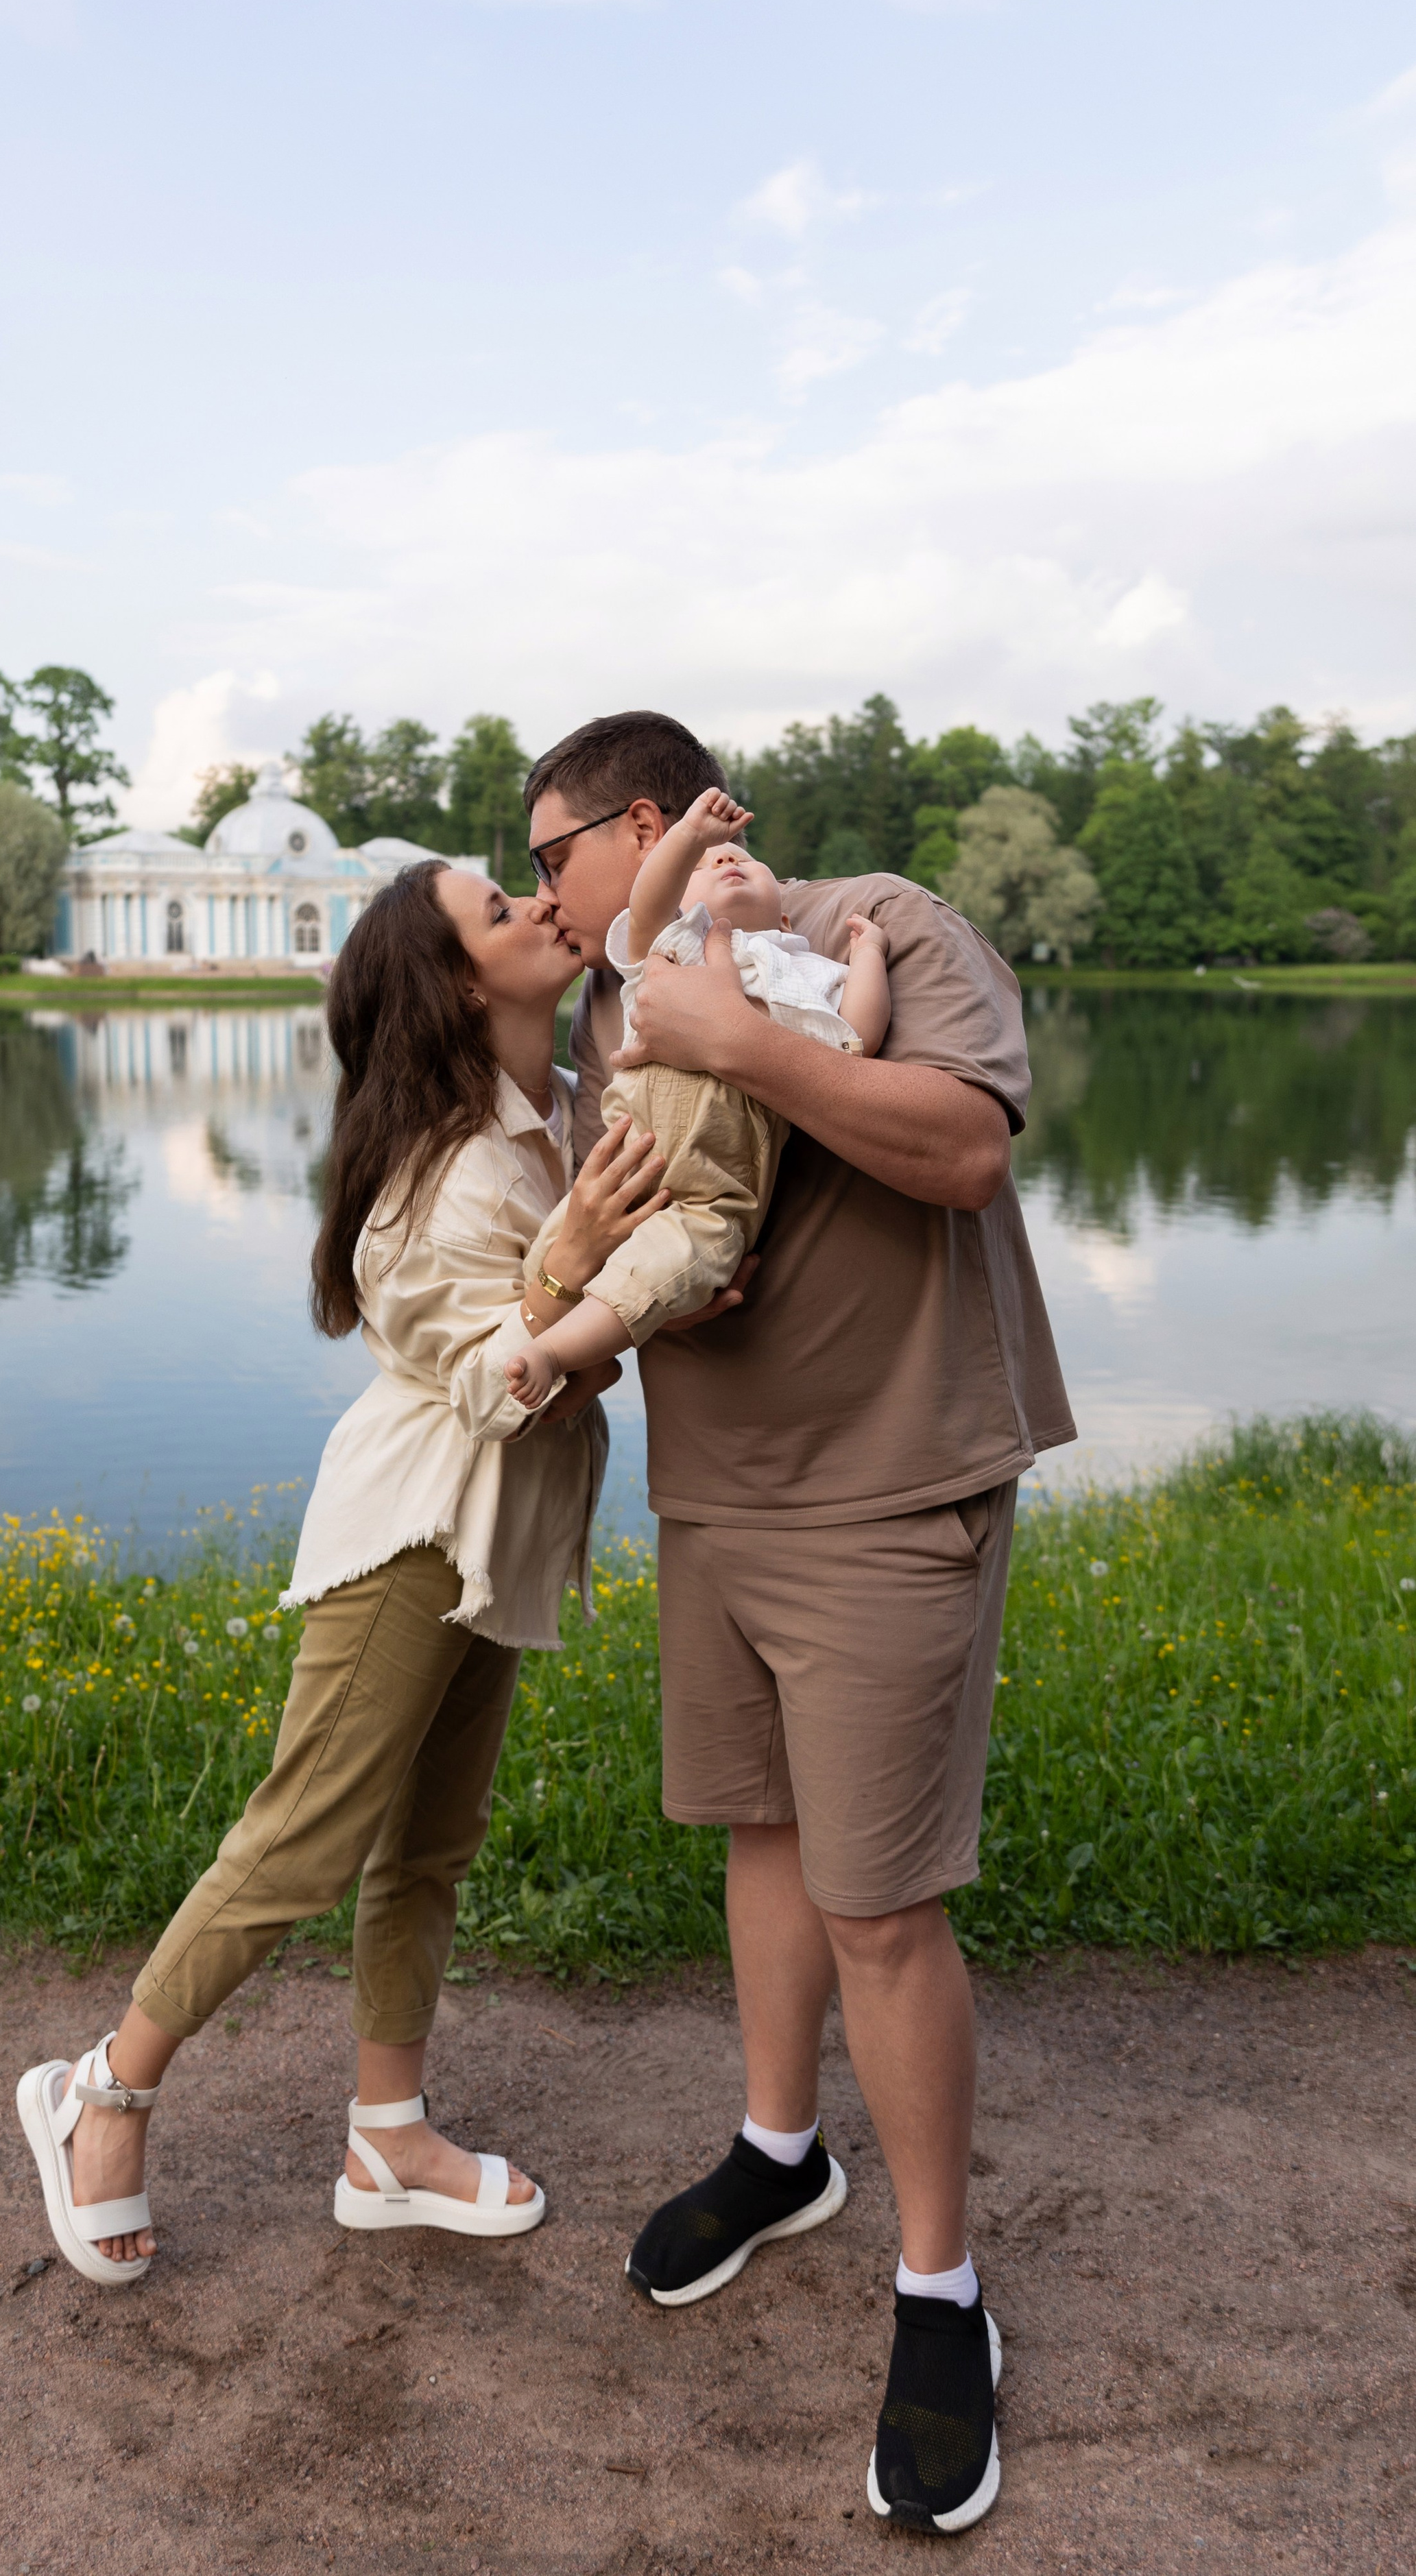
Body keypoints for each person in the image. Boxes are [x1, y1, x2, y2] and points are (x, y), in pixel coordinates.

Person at [525, 710, 1075, 2538]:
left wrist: (748, 1034)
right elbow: (658, 1208)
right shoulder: (617, 1008)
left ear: (656, 820)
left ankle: (942, 2293)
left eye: (554, 852)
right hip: (720, 1489)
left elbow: (965, 1150)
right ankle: (782, 2155)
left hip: (890, 1482)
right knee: (757, 1834)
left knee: (879, 1901)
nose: (545, 890)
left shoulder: (886, 923)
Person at [16, 861, 667, 2286]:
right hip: (415, 1537)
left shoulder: (562, 1106)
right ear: (449, 983)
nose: (538, 908)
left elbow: (585, 1337)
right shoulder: (426, 1187)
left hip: (496, 1539)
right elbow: (507, 1392)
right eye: (501, 909)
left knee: (431, 1843)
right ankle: (100, 2094)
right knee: (303, 1838)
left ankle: (388, 2138)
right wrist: (577, 1278)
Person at [505, 782, 891, 1407]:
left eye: (744, 860)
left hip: (713, 1193)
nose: (728, 860)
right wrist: (689, 835)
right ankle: (574, 1353)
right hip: (628, 1169)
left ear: (786, 920)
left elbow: (857, 1039)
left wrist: (868, 957)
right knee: (554, 1251)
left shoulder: (802, 971)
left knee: (658, 1274)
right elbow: (651, 897)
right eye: (709, 865)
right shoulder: (670, 947)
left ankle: (555, 1354)